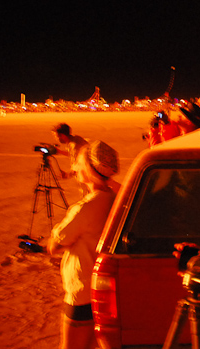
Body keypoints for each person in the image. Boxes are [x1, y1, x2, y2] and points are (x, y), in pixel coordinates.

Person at [47, 140, 120, 349]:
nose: (74, 168)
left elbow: (56, 244)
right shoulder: (112, 198)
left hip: (81, 292)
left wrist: (53, 242)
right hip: (100, 290)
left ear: (88, 168)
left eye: (78, 162)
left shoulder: (85, 207)